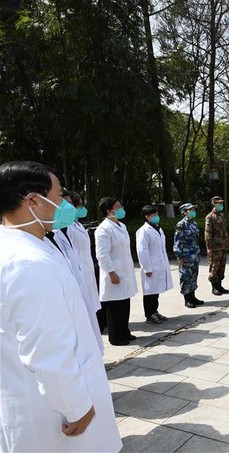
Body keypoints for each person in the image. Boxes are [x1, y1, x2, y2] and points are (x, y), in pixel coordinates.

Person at [0, 161, 122, 452]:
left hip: (44, 396)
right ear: (33, 202)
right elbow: (46, 348)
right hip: (54, 413)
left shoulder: (32, 245)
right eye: (58, 196)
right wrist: (76, 407)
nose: (64, 204)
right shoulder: (26, 262)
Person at [52, 191, 104, 354]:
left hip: (85, 273)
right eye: (64, 203)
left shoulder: (72, 226)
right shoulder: (55, 233)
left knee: (90, 320)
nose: (69, 207)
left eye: (70, 203)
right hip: (72, 286)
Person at [95, 197, 138, 346]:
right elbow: (102, 255)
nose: (121, 209)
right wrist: (111, 273)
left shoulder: (121, 226)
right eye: (118, 207)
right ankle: (115, 337)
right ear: (109, 211)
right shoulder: (103, 229)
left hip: (124, 270)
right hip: (114, 272)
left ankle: (124, 331)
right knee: (115, 306)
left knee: (124, 303)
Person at [136, 205, 173, 324]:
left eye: (157, 214)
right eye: (154, 215)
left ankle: (155, 311)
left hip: (159, 264)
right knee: (150, 292)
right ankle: (149, 314)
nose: (157, 217)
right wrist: (147, 268)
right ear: (147, 217)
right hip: (151, 266)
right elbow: (142, 251)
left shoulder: (158, 228)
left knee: (156, 291)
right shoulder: (143, 231)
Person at [173, 203, 204, 309]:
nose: (193, 211)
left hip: (194, 255)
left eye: (193, 209)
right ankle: (187, 299)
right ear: (184, 212)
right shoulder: (181, 225)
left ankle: (193, 296)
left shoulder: (194, 223)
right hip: (185, 256)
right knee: (185, 278)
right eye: (190, 210)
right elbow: (178, 241)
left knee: (193, 277)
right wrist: (179, 257)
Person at [205, 196, 229, 296]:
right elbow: (208, 234)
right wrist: (209, 247)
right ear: (214, 204)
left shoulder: (221, 216)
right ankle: (214, 287)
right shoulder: (210, 217)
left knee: (221, 267)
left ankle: (219, 285)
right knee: (214, 267)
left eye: (221, 203)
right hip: (215, 247)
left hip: (223, 246)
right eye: (219, 203)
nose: (221, 205)